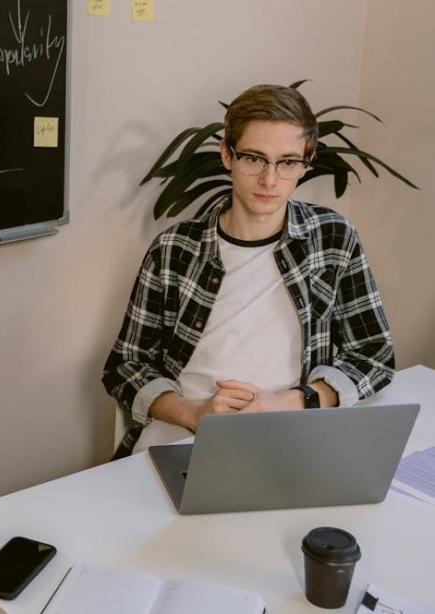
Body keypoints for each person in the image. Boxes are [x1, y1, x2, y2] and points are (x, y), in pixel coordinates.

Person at [103, 84, 395, 458]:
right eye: (254, 158)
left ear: (307, 163)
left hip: (290, 433)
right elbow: (125, 365)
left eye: (288, 162)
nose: (270, 180)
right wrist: (193, 414)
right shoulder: (174, 248)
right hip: (180, 434)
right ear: (227, 154)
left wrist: (292, 401)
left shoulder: (334, 238)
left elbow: (374, 355)